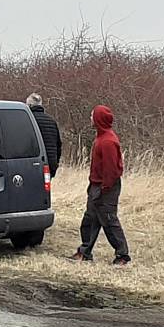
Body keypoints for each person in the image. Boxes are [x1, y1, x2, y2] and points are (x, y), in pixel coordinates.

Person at [70, 105, 131, 266]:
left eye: (92, 116)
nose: (90, 118)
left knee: (109, 221)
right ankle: (85, 252)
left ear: (99, 119)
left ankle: (122, 256)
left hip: (106, 188)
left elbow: (112, 170)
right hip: (96, 185)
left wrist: (104, 188)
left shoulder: (108, 141)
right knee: (90, 219)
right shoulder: (100, 137)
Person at [26, 93, 62, 177]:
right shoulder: (51, 121)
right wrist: (56, 162)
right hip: (50, 163)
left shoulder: (28, 120)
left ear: (30, 105)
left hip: (32, 164)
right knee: (45, 189)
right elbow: (58, 145)